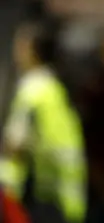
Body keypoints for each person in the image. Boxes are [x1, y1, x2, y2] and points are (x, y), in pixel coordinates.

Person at [0, 22, 86, 223]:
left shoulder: (33, 90)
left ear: (32, 51)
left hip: (32, 195)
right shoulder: (55, 88)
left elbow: (14, 143)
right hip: (60, 194)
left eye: (20, 45)